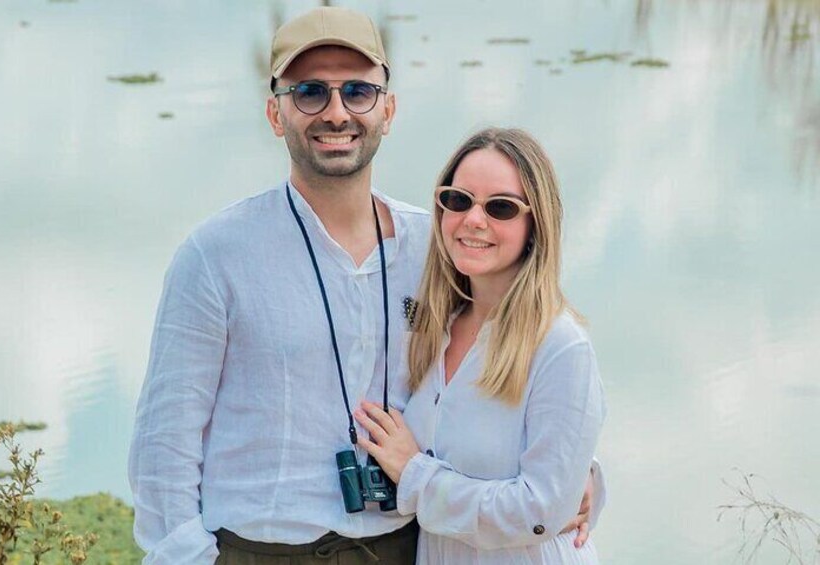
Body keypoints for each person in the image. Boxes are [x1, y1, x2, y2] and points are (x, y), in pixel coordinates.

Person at [128, 7, 604, 565]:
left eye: (358, 91)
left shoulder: (439, 246)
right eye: (309, 92)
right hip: (261, 551)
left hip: (405, 546)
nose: (336, 113)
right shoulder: (214, 256)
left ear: (388, 109)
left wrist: (579, 477)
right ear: (275, 113)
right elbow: (164, 446)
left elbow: (528, 363)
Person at [354, 128, 606, 564]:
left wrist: (415, 475)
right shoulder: (434, 327)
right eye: (458, 200)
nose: (474, 219)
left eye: (501, 207)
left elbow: (540, 511)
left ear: (535, 224)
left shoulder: (561, 346)